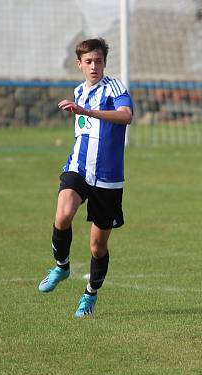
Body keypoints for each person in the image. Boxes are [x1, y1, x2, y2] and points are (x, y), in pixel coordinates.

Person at [37, 38, 134, 318]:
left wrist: (87, 112)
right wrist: (82, 112)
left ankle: (90, 294)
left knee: (97, 245)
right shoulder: (79, 91)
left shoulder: (114, 88)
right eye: (88, 62)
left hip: (108, 178)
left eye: (98, 61)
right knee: (63, 214)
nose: (94, 66)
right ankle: (62, 266)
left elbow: (126, 116)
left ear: (104, 62)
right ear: (79, 64)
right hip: (78, 168)